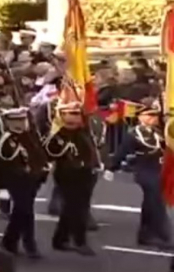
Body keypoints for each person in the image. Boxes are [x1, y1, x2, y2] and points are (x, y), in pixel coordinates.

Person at [104, 106, 172, 249]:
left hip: (159, 170)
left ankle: (146, 235)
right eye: (148, 115)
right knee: (156, 203)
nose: (152, 118)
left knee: (151, 203)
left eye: (154, 115)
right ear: (140, 117)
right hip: (145, 171)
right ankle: (162, 235)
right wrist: (111, 168)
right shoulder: (135, 134)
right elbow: (121, 152)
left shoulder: (160, 132)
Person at [44, 101, 100, 256]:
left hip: (86, 173)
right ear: (62, 116)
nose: (76, 118)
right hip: (68, 174)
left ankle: (60, 239)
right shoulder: (59, 137)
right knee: (78, 209)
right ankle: (79, 241)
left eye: (77, 114)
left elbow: (92, 150)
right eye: (71, 114)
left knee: (73, 208)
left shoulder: (84, 133)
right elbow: (49, 153)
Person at [0, 108, 49, 259]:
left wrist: (43, 171)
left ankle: (9, 241)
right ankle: (29, 244)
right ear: (9, 123)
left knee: (21, 211)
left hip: (32, 180)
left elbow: (39, 155)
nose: (20, 123)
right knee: (26, 211)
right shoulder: (7, 140)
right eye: (16, 120)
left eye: (22, 120)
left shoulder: (30, 136)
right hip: (16, 181)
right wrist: (2, 187)